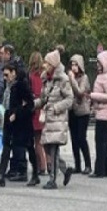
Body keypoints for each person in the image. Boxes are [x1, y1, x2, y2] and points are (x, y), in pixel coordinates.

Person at [0, 61, 35, 187]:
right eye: (4, 75)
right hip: (9, 118)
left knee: (22, 147)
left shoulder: (21, 85)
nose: (5, 78)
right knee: (6, 147)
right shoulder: (9, 86)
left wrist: (16, 113)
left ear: (14, 73)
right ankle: (1, 174)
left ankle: (25, 172)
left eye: (7, 75)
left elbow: (29, 104)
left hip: (19, 121)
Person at [37, 50, 75, 189]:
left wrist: (57, 107)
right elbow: (43, 99)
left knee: (53, 149)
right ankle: (65, 169)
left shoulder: (63, 79)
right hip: (48, 119)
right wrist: (33, 104)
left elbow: (70, 99)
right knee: (47, 147)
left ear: (53, 64)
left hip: (57, 119)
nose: (44, 64)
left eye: (47, 62)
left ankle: (52, 180)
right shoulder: (46, 79)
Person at [88, 49, 107, 178]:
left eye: (99, 62)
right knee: (106, 141)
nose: (97, 65)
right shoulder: (103, 76)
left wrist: (93, 96)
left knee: (100, 141)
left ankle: (100, 170)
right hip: (103, 111)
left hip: (105, 113)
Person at [67, 54, 93, 175]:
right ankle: (77, 165)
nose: (73, 67)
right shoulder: (70, 77)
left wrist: (72, 79)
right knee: (74, 139)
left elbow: (80, 92)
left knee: (82, 138)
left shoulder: (84, 78)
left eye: (76, 64)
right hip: (72, 111)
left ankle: (88, 165)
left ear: (80, 65)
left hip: (82, 112)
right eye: (72, 64)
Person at [28, 51, 47, 185]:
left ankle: (41, 166)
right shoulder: (45, 75)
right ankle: (50, 164)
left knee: (37, 141)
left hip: (35, 108)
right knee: (45, 140)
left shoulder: (31, 76)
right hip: (44, 107)